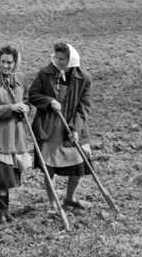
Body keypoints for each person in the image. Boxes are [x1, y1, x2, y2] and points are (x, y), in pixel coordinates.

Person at [28, 41, 93, 210]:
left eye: (62, 59)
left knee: (79, 163)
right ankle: (53, 202)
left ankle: (70, 198)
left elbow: (84, 107)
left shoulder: (84, 78)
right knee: (49, 166)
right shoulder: (45, 73)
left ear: (71, 61)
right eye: (56, 57)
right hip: (49, 127)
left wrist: (75, 129)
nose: (57, 61)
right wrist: (49, 101)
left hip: (72, 127)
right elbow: (33, 95)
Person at [0, 45, 33, 223]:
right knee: (0, 176)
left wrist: (25, 108)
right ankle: (0, 213)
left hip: (14, 136)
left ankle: (4, 211)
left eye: (10, 62)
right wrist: (9, 108)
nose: (6, 65)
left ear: (15, 63)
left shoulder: (21, 79)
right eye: (3, 61)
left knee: (9, 175)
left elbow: (26, 102)